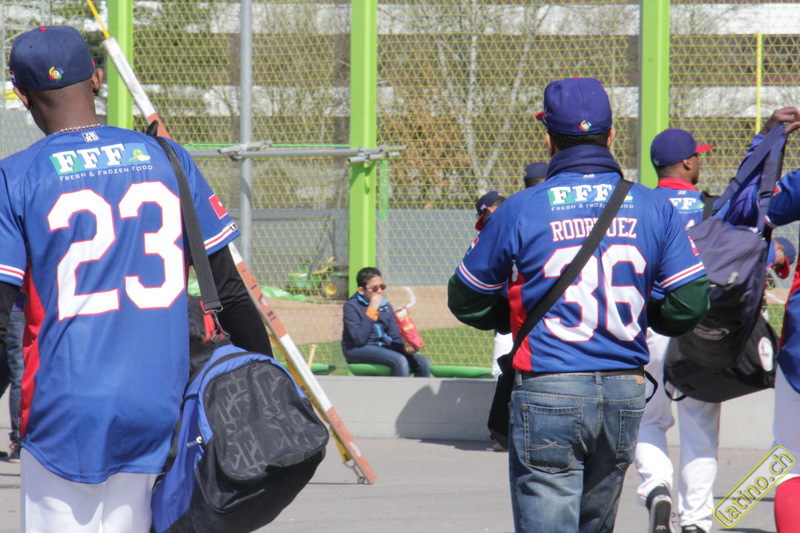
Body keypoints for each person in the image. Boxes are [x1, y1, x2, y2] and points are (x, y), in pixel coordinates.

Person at [0, 26, 273, 532]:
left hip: (67, 410)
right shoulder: (169, 157)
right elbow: (230, 290)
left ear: (21, 94)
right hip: (156, 403)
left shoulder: (15, 176)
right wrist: (268, 393)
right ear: (97, 78)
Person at [447, 77, 710, 533]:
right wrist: (645, 315)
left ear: (548, 139)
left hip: (549, 386)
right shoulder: (652, 206)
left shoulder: (521, 207)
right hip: (624, 389)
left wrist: (512, 318)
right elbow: (690, 302)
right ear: (611, 136)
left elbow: (465, 296)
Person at [634, 128, 719, 533]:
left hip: (650, 325)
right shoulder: (709, 206)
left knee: (649, 419)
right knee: (699, 424)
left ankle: (657, 487)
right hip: (698, 326)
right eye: (697, 156)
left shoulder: (640, 204)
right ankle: (696, 520)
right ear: (687, 162)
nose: (699, 161)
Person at [342, 267, 431, 377]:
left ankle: (416, 389)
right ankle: (398, 389)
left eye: (382, 286)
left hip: (383, 348)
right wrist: (372, 309)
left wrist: (406, 347)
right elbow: (360, 339)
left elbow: (395, 336)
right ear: (361, 290)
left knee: (424, 363)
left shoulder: (386, 306)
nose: (379, 291)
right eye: (374, 288)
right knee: (399, 360)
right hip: (357, 350)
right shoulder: (351, 306)